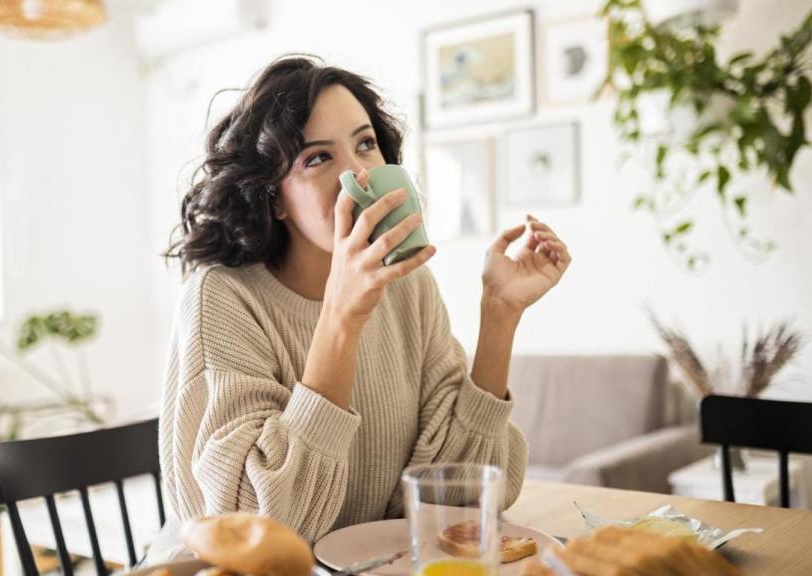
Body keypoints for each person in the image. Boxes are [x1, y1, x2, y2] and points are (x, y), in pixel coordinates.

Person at [157, 54, 571, 552]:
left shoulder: (408, 287)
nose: (358, 177)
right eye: (317, 158)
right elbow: (257, 537)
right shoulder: (221, 298)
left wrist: (499, 315)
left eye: (366, 144)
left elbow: (460, 497)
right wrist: (341, 318)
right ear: (275, 199)